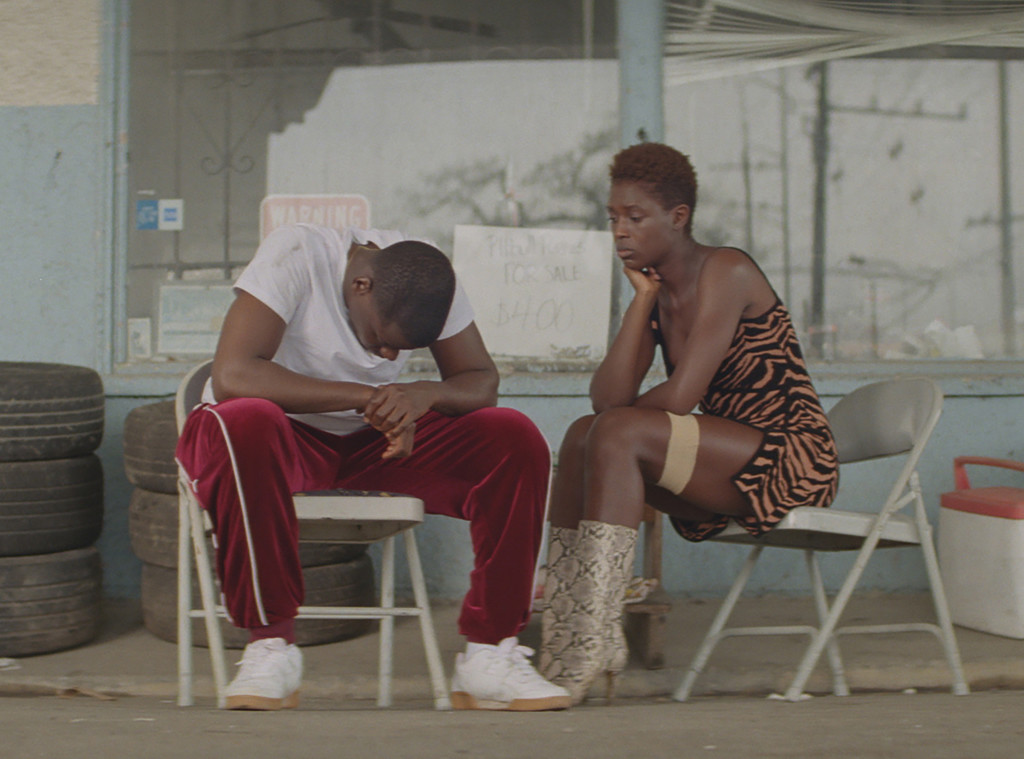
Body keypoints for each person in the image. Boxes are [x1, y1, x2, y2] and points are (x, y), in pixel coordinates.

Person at [176, 222, 571, 712]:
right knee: (244, 420)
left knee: (513, 437)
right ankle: (269, 646)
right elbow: (234, 373)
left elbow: (480, 380)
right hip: (277, 438)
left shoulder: (425, 274)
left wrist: (422, 394)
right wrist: (371, 398)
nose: (389, 355)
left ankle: (490, 656)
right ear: (360, 286)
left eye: (402, 351)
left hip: (376, 443)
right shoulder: (298, 252)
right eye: (384, 339)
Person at [538, 142, 840, 705]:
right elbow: (607, 398)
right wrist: (642, 302)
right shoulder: (659, 291)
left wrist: (621, 421)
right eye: (612, 218)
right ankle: (569, 625)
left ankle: (595, 636)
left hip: (790, 457)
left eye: (635, 217)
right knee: (584, 433)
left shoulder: (726, 270)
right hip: (727, 459)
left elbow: (680, 397)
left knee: (617, 432)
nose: (619, 231)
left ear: (678, 218)